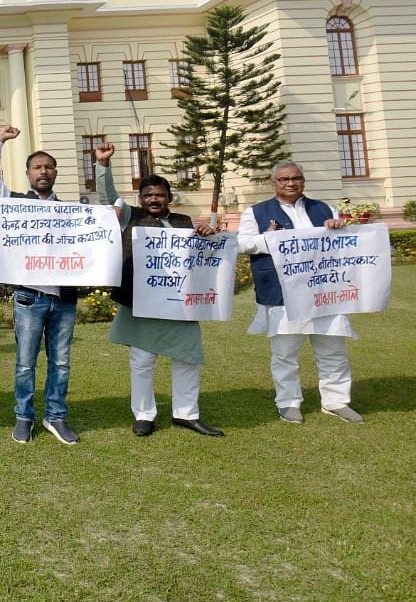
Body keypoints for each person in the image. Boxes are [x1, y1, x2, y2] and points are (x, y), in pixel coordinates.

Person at [95, 144, 223, 437]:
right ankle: (144, 414)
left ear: (169, 197)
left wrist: (207, 234)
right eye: (148, 195)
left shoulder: (183, 222)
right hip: (141, 302)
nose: (154, 199)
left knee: (187, 358)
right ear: (141, 198)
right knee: (142, 361)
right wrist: (103, 166)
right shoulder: (130, 216)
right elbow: (107, 198)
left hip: (179, 303)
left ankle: (186, 414)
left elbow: (201, 258)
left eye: (160, 195)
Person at [0, 124, 80, 445]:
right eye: (37, 167)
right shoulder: (15, 202)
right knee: (25, 363)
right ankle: (24, 417)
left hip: (64, 299)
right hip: (29, 298)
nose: (43, 171)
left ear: (56, 172)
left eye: (48, 166)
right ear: (28, 173)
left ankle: (55, 417)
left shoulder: (73, 211)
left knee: (60, 363)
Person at [238, 160, 362, 424]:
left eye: (296, 178)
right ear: (274, 183)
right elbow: (243, 243)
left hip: (323, 290)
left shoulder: (323, 208)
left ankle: (336, 401)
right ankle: (288, 402)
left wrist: (338, 227)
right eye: (284, 179)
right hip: (283, 293)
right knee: (285, 353)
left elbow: (343, 243)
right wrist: (269, 238)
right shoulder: (257, 212)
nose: (290, 183)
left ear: (303, 181)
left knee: (333, 349)